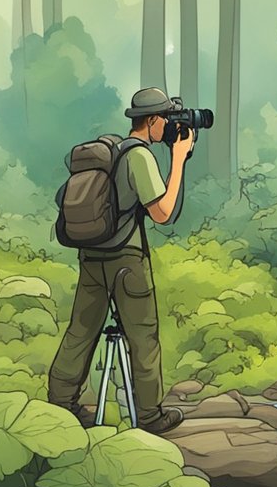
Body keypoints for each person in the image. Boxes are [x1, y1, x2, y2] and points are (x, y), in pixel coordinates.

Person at [48, 87, 194, 435]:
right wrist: (178, 159)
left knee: (80, 333)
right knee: (143, 337)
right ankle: (149, 417)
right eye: (166, 121)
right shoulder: (139, 157)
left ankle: (61, 405)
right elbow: (162, 212)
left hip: (92, 256)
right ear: (154, 120)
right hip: (126, 260)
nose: (168, 128)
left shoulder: (110, 151)